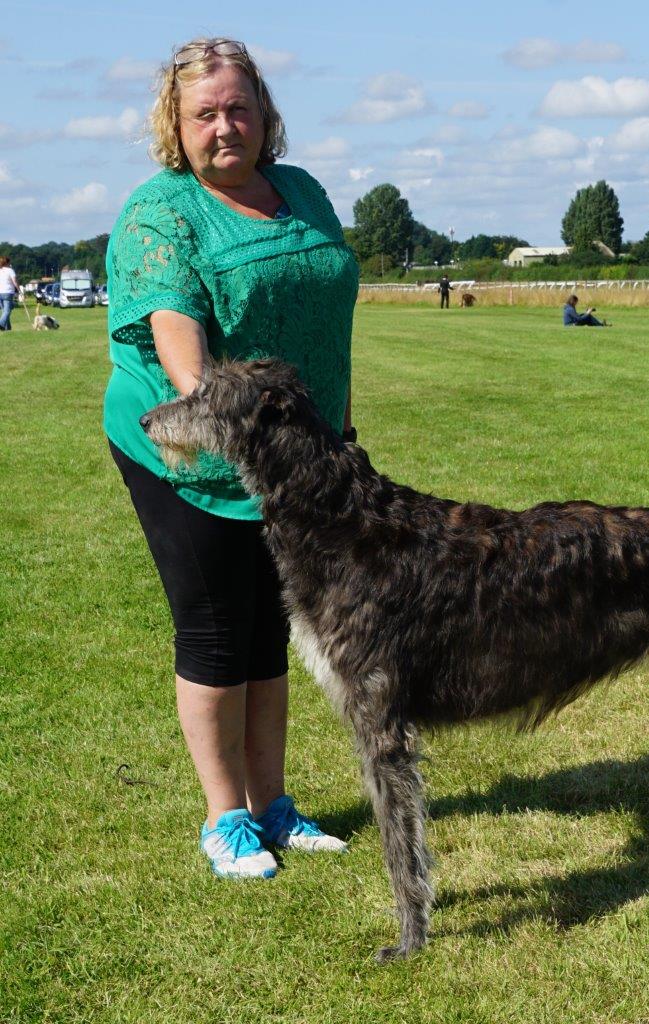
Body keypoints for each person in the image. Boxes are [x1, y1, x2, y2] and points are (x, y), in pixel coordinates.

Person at [103, 38, 359, 879]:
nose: (226, 126)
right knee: (217, 630)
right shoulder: (161, 212)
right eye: (205, 113)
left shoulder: (301, 191)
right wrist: (232, 423)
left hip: (296, 459)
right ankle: (226, 822)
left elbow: (329, 315)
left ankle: (273, 806)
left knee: (268, 632)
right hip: (193, 453)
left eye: (239, 107)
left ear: (264, 112)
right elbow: (182, 352)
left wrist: (336, 433)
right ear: (176, 125)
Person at [0, 256, 18, 332]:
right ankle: (1, 324)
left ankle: (7, 329)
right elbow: (15, 281)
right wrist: (19, 290)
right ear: (7, 263)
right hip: (8, 292)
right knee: (7, 311)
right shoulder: (10, 270)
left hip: (0, 292)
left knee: (4, 311)